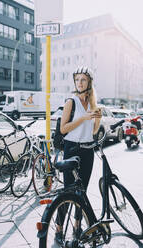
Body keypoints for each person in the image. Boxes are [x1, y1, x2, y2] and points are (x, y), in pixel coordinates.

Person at [55, 66, 102, 245]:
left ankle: (77, 226)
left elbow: (94, 130)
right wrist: (83, 118)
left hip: (88, 151)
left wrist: (97, 118)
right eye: (77, 80)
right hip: (72, 149)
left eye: (83, 79)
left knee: (82, 192)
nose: (79, 83)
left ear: (89, 82)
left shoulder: (92, 103)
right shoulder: (71, 101)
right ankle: (59, 229)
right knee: (68, 191)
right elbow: (63, 129)